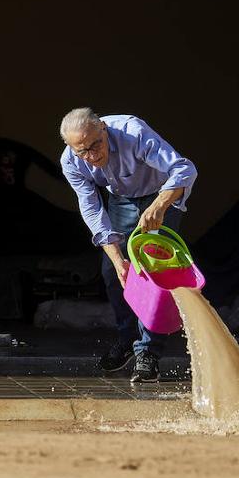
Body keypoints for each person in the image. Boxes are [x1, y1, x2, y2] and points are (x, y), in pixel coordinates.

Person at [59, 108, 197, 382]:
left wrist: (160, 205)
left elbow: (184, 168)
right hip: (121, 200)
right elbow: (91, 208)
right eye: (83, 151)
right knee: (115, 274)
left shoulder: (133, 132)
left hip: (161, 194)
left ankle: (149, 353)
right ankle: (128, 338)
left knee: (152, 271)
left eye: (96, 144)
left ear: (103, 129)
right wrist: (115, 257)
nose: (92, 155)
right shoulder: (72, 162)